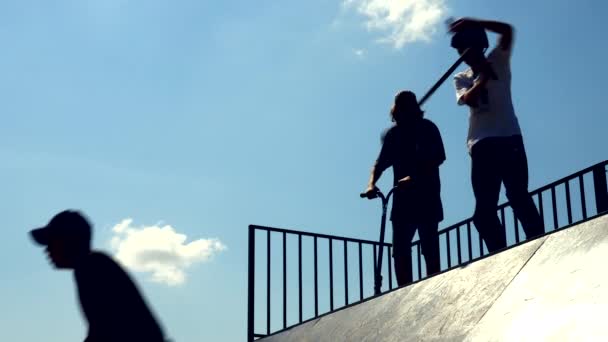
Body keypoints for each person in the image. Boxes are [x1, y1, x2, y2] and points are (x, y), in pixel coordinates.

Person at [450, 18, 544, 253]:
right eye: (462, 52)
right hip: (482, 144)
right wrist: (482, 79)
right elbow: (468, 98)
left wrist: (472, 21)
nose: (464, 55)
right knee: (483, 214)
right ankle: (500, 256)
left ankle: (540, 245)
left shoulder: (498, 59)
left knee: (518, 196)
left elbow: (507, 30)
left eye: (467, 50)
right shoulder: (462, 77)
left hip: (508, 137)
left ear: (479, 46)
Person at [29, 210, 167, 342]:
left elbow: (104, 329)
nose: (47, 250)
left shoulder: (90, 266)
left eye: (52, 241)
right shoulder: (94, 264)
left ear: (68, 241)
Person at [363, 90, 446, 286]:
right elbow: (379, 164)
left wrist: (414, 176)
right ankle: (404, 291)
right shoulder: (394, 134)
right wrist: (371, 184)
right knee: (400, 250)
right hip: (402, 200)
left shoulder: (427, 128)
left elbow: (439, 156)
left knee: (429, 247)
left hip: (427, 197)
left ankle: (434, 286)